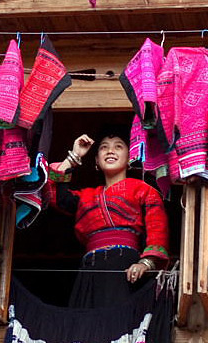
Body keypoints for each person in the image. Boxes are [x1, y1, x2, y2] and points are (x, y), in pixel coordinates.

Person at [49, 123, 169, 308]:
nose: (110, 151)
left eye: (118, 146)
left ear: (130, 157)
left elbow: (157, 229)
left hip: (126, 266)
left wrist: (146, 263)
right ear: (96, 161)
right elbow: (56, 197)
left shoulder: (144, 191)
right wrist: (74, 157)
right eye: (104, 147)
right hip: (90, 268)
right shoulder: (86, 196)